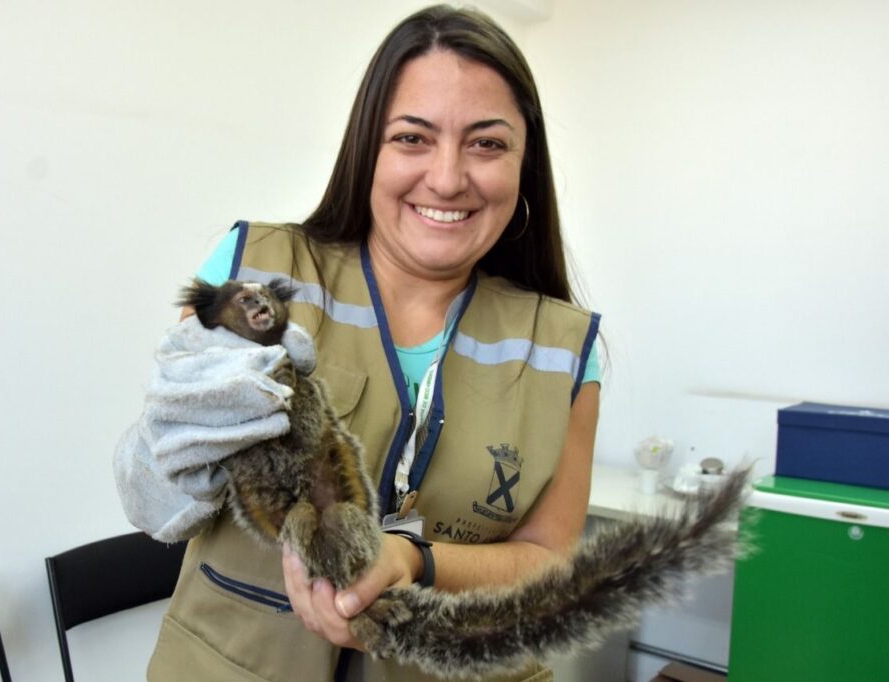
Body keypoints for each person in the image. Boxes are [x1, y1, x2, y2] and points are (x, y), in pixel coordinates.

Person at [116, 5, 601, 681]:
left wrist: (414, 561)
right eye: (412, 138)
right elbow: (150, 502)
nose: (448, 177)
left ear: (525, 166)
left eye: (487, 143)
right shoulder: (252, 270)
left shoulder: (563, 345)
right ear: (366, 147)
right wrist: (172, 451)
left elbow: (550, 560)